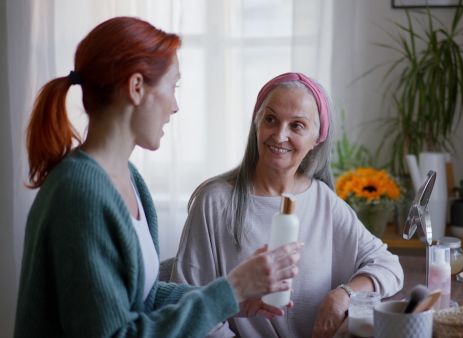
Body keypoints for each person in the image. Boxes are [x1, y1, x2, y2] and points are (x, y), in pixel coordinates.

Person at [14, 17, 303, 338]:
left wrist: (228, 300)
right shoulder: (80, 194)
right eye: (173, 86)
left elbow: (142, 299)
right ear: (137, 87)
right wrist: (231, 291)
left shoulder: (128, 177)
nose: (176, 106)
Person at [171, 72, 404, 337]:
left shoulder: (323, 201)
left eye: (297, 125)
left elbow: (388, 266)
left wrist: (343, 295)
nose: (279, 136)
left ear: (318, 138)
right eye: (271, 119)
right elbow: (187, 303)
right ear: (256, 123)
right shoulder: (214, 202)